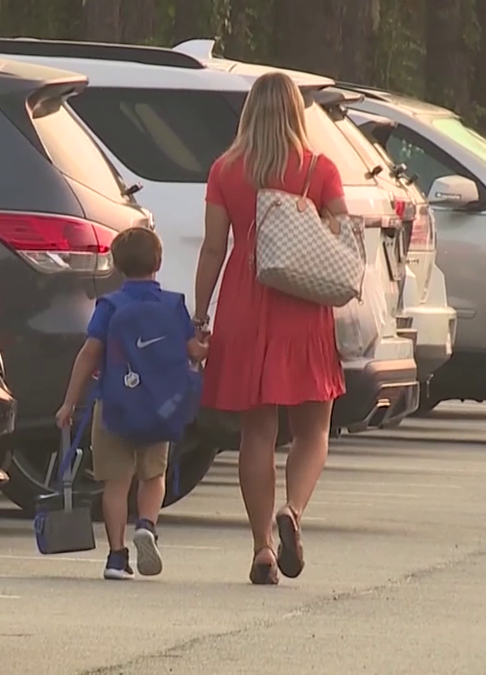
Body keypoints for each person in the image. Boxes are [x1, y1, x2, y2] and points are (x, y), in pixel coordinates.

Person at [193, 71, 349, 585]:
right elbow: (339, 235)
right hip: (301, 306)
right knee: (314, 427)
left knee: (255, 431)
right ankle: (295, 511)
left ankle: (262, 547)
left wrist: (202, 313)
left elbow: (215, 246)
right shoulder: (319, 168)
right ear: (296, 114)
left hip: (244, 298)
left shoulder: (226, 168)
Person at [56, 227, 209, 581]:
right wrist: (203, 346)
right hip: (161, 408)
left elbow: (89, 354)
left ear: (117, 265)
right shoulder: (173, 306)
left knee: (116, 483)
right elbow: (193, 353)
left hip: (115, 406)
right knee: (153, 476)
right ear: (159, 262)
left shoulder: (110, 306)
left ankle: (116, 556)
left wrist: (68, 403)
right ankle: (147, 524)